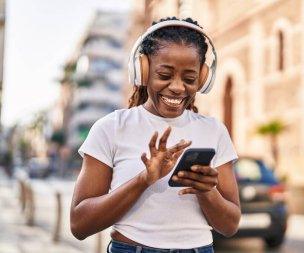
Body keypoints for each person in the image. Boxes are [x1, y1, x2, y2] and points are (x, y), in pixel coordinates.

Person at [70, 17, 241, 253]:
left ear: (203, 78)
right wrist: (144, 180)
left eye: (189, 79)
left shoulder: (214, 131)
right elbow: (80, 225)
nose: (178, 87)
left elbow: (230, 226)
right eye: (165, 75)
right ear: (143, 70)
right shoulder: (111, 128)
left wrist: (206, 191)